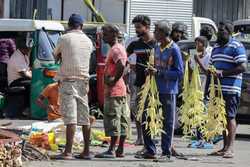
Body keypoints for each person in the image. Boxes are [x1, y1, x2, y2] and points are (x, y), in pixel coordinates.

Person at [136, 20, 184, 161]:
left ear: (163, 33)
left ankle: (166, 153)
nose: (154, 33)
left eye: (156, 30)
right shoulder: (156, 47)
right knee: (147, 118)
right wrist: (149, 71)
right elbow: (155, 66)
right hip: (153, 89)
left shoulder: (174, 49)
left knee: (167, 122)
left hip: (168, 91)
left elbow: (179, 73)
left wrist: (159, 72)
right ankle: (150, 150)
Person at [53, 13, 93, 160]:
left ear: (69, 25)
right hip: (84, 82)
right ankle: (86, 151)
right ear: (81, 26)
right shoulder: (88, 41)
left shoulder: (64, 38)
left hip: (68, 82)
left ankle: (68, 152)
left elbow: (55, 57)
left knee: (71, 118)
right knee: (84, 118)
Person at [208, 22, 247, 158]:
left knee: (230, 117)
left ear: (229, 33)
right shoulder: (216, 47)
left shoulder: (237, 46)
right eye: (218, 31)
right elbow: (211, 67)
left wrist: (223, 73)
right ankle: (224, 148)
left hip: (231, 88)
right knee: (222, 118)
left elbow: (242, 67)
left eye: (221, 31)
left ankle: (230, 148)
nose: (218, 33)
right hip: (217, 89)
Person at [95, 24, 128, 158]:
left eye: (106, 34)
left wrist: (113, 80)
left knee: (113, 119)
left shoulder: (116, 49)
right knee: (122, 120)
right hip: (119, 90)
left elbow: (121, 65)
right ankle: (119, 149)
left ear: (114, 35)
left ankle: (112, 150)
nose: (103, 36)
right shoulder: (117, 48)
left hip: (114, 91)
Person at [126, 15, 156, 146]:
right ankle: (140, 138)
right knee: (137, 110)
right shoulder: (135, 44)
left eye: (139, 27)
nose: (136, 30)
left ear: (147, 27)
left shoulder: (156, 43)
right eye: (135, 27)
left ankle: (151, 139)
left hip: (154, 84)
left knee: (151, 112)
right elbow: (123, 58)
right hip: (138, 83)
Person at [7, 36, 32, 115]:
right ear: (23, 48)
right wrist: (34, 78)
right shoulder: (17, 57)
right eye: (28, 48)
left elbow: (27, 68)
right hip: (15, 81)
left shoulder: (24, 55)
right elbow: (24, 74)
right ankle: (26, 108)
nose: (29, 50)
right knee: (32, 84)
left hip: (21, 79)